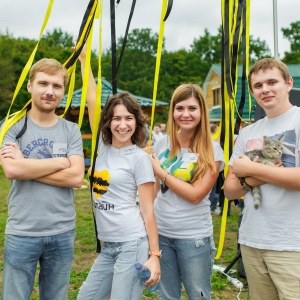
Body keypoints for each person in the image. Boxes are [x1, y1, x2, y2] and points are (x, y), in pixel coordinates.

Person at [76, 45, 160, 300]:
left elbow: (147, 210)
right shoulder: (102, 147)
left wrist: (154, 256)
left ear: (136, 122)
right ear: (107, 122)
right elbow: (92, 98)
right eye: (116, 118)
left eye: (128, 119)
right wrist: (83, 59)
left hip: (132, 244)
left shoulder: (139, 158)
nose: (122, 124)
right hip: (108, 247)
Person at [0, 58, 85, 299]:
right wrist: (61, 162)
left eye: (57, 86)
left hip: (62, 230)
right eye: (43, 83)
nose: (50, 91)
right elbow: (12, 171)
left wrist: (27, 165)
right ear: (30, 86)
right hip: (23, 231)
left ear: (63, 91)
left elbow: (77, 177)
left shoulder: (71, 130)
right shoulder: (12, 125)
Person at [224, 58, 300, 300]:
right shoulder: (248, 132)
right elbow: (230, 189)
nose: (265, 89)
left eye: (272, 82)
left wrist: (251, 169)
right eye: (258, 85)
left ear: (288, 83)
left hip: (292, 245)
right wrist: (259, 176)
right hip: (253, 240)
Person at [150, 83, 224, 299]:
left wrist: (162, 173)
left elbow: (195, 195)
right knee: (166, 296)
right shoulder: (162, 143)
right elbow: (156, 189)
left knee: (198, 295)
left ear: (202, 111)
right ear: (172, 111)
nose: (185, 114)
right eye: (179, 108)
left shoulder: (212, 149)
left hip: (193, 238)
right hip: (162, 234)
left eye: (192, 108)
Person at [209, 123, 221, 214]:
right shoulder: (214, 141)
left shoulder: (209, 139)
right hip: (212, 167)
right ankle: (212, 206)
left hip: (212, 166)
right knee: (212, 188)